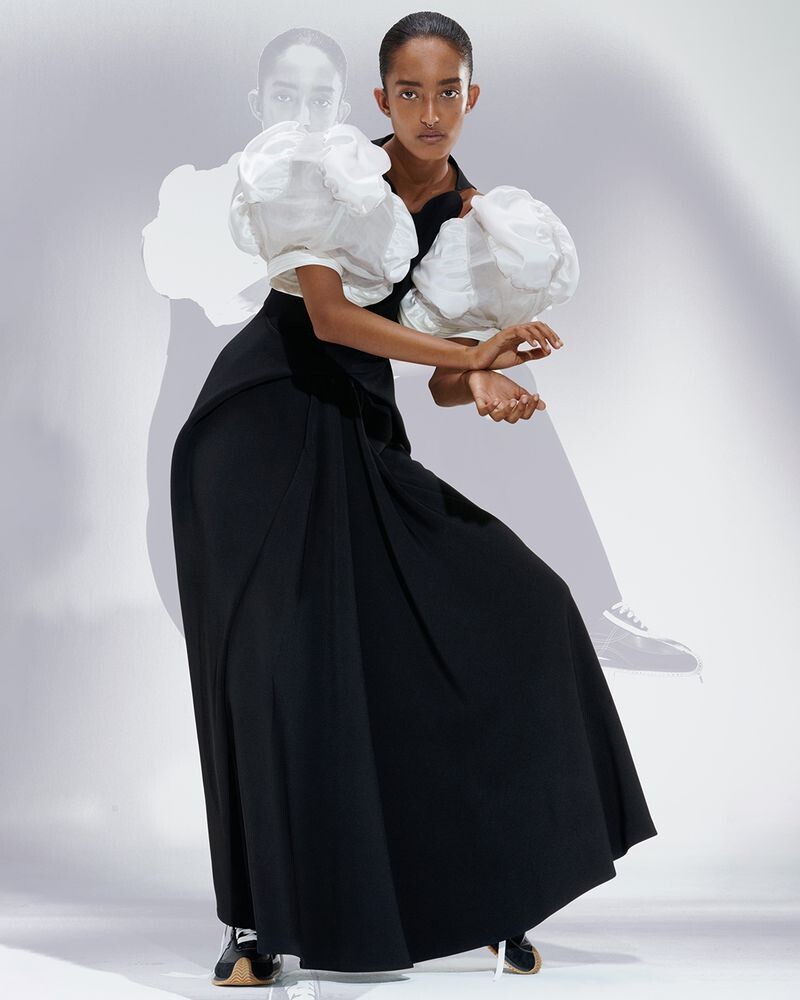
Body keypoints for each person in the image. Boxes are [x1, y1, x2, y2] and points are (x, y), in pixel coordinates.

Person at [170, 11, 658, 987]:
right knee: (268, 676)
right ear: (380, 98)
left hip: (358, 435)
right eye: (408, 92)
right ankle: (254, 925)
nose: (429, 112)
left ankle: (493, 888)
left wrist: (481, 378)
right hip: (259, 425)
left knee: (521, 608)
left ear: (471, 97)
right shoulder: (330, 172)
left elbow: (438, 380)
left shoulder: (480, 222)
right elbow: (328, 316)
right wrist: (469, 357)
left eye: (446, 93)